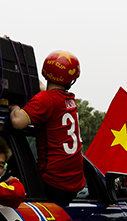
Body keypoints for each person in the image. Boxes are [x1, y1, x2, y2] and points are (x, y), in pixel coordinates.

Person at [10, 51, 84, 204]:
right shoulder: (67, 100)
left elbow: (17, 121)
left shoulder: (46, 100)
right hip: (72, 184)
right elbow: (46, 92)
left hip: (52, 182)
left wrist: (13, 106)